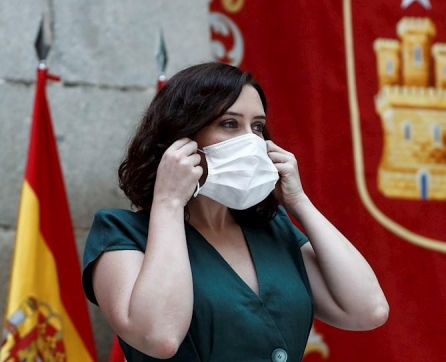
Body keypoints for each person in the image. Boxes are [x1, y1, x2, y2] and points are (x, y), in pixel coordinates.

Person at [82, 62, 389, 362]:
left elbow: (368, 310)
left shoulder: (273, 228)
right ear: (181, 138)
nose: (251, 140)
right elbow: (160, 336)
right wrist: (169, 201)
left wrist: (299, 201)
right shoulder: (121, 232)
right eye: (230, 124)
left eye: (257, 126)